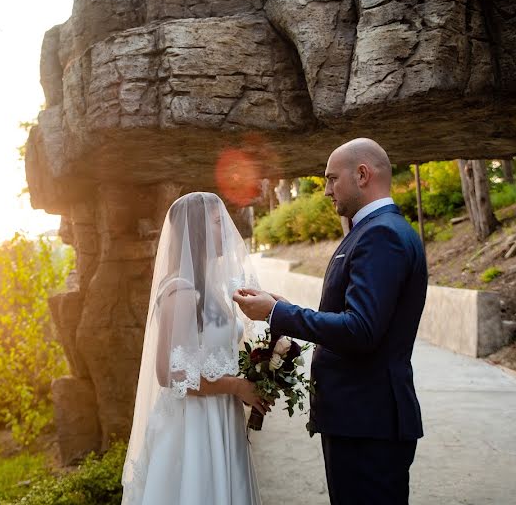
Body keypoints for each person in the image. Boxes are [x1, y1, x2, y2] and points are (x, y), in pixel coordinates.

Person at [233, 138, 428, 505]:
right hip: (362, 420)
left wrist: (277, 315)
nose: (325, 191)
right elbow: (356, 316)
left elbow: (361, 330)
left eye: (331, 179)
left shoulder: (381, 235)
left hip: (367, 423)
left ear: (362, 174)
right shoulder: (373, 231)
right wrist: (285, 307)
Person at [122, 192, 268, 505]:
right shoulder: (181, 291)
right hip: (195, 425)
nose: (227, 230)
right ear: (198, 231)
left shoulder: (214, 288)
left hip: (221, 415)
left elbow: (215, 353)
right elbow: (169, 373)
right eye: (218, 223)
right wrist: (236, 385)